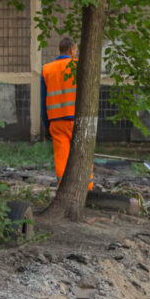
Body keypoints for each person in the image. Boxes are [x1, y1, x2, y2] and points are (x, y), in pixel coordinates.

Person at [40, 37, 91, 189]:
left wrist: (47, 124)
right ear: (71, 50)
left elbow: (43, 100)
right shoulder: (79, 66)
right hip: (79, 120)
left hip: (57, 121)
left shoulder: (47, 69)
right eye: (75, 50)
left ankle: (63, 188)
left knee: (61, 156)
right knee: (84, 155)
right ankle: (86, 189)